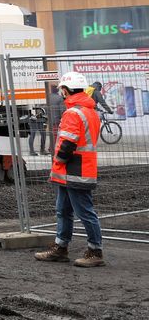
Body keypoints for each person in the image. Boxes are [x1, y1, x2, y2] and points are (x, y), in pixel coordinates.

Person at [35, 71, 104, 267]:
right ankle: (61, 248)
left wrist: (58, 159)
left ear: (65, 91)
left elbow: (68, 142)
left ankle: (95, 251)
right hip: (78, 169)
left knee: (83, 212)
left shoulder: (73, 112)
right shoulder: (89, 111)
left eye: (62, 90)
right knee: (64, 210)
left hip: (73, 169)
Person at [43, 84, 64, 154]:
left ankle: (50, 148)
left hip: (50, 119)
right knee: (56, 135)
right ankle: (52, 148)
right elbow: (62, 110)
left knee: (52, 134)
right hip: (57, 119)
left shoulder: (48, 97)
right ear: (57, 89)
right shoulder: (59, 98)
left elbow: (45, 108)